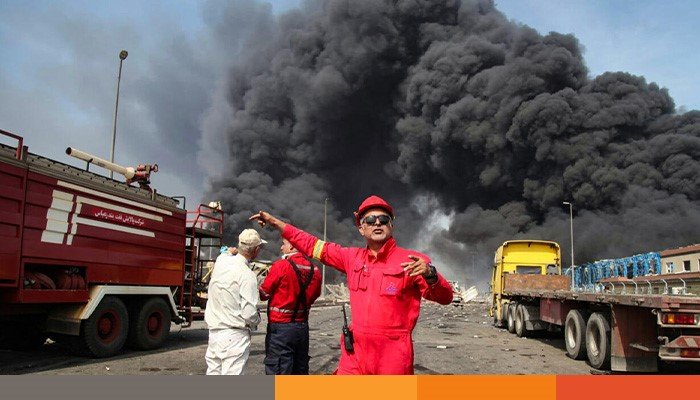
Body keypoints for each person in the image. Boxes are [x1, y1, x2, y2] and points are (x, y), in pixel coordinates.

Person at [250, 195, 453, 375]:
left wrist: (431, 275)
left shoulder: (413, 261)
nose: (377, 223)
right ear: (361, 228)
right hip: (355, 355)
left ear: (391, 225)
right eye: (370, 220)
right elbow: (312, 245)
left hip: (392, 358)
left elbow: (446, 297)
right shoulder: (351, 258)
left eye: (383, 219)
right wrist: (276, 223)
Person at [204, 228, 265, 375]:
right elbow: (249, 314)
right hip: (235, 335)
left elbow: (225, 253)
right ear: (256, 250)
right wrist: (257, 319)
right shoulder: (247, 275)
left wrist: (230, 252)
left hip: (214, 333)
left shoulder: (221, 261)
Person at [259, 238, 322, 374]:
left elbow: (264, 293)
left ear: (292, 247)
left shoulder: (281, 266)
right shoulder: (315, 269)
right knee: (299, 369)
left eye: (284, 244)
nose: (281, 248)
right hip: (302, 327)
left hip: (280, 329)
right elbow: (316, 294)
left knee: (279, 369)